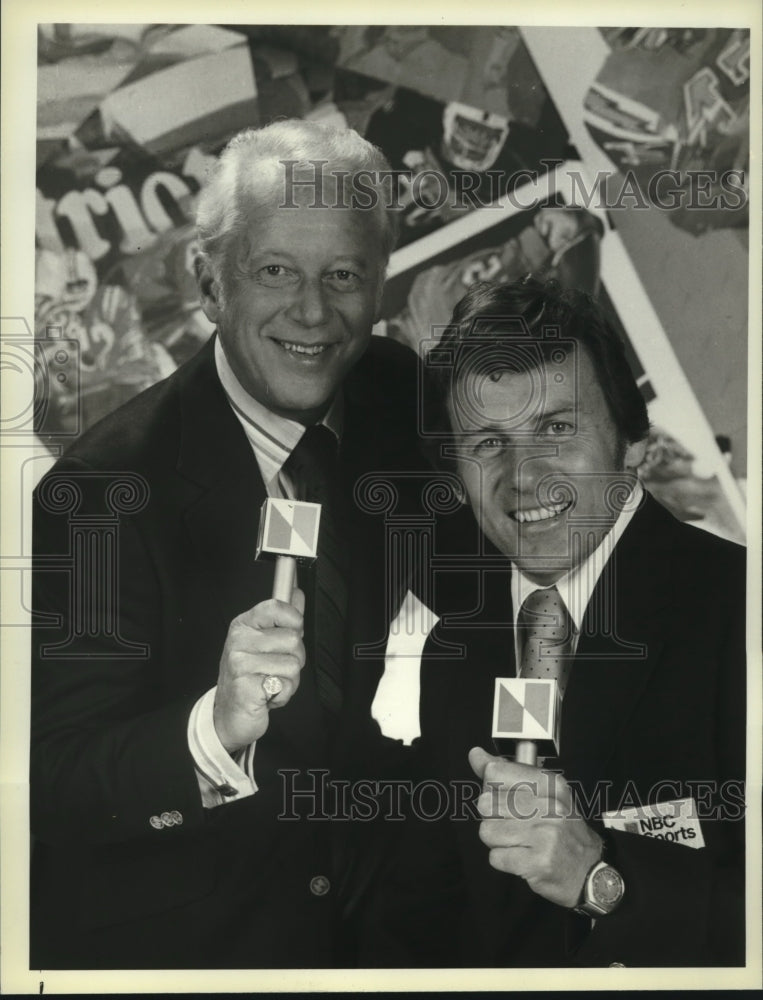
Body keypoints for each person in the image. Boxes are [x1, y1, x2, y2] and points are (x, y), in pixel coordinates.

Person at [30, 119, 425, 969]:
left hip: (405, 941)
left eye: (344, 274)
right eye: (275, 269)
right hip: (202, 951)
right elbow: (53, 782)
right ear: (209, 282)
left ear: (382, 285)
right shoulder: (101, 493)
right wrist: (214, 726)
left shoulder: (420, 406)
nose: (313, 311)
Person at [365, 277, 746, 968]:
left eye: (555, 429)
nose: (522, 478)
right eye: (486, 444)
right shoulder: (455, 639)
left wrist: (600, 880)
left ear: (632, 443)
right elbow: (425, 906)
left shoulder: (741, 612)